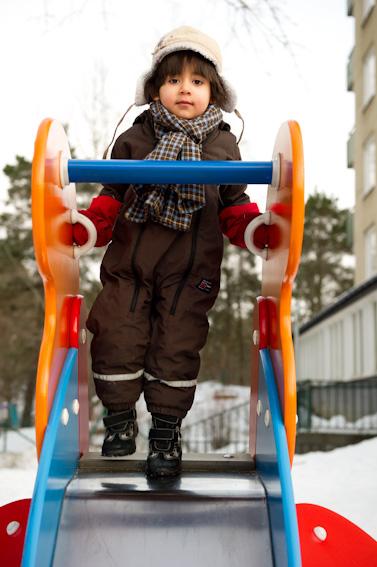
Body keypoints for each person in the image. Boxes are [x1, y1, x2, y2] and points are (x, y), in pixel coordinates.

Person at [73, 26, 262, 478]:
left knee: (176, 346)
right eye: (174, 79)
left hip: (190, 273)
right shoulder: (136, 139)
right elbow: (112, 194)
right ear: (156, 88)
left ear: (213, 92)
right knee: (115, 333)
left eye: (197, 81)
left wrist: (256, 229)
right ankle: (118, 420)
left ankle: (165, 432)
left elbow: (234, 204)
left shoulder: (222, 145)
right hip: (130, 267)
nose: (185, 89)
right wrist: (90, 227)